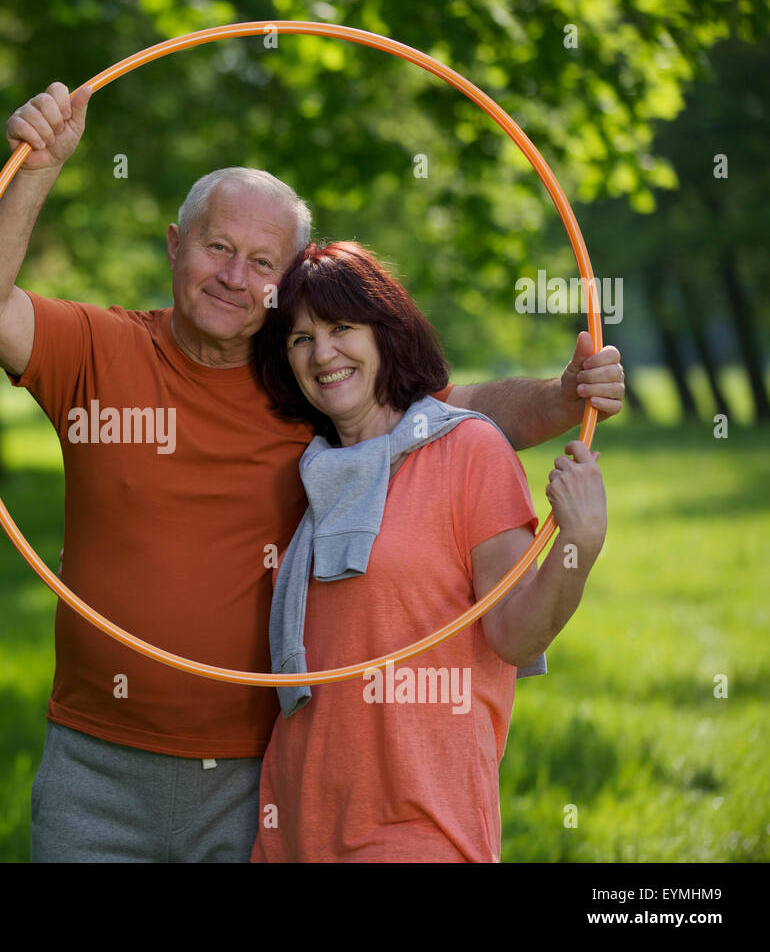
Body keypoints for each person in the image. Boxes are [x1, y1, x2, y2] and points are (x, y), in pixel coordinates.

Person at [0, 82, 625, 862]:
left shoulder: (311, 384)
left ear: (284, 280)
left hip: (252, 773)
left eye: (262, 261)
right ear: (174, 244)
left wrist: (564, 393)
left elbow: (462, 413)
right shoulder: (99, 351)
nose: (235, 276)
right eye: (217, 247)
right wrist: (36, 167)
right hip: (94, 761)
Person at [249, 242, 607, 862]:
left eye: (341, 328)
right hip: (295, 823)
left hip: (421, 823)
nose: (322, 352)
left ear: (386, 332)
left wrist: (577, 545)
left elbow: (517, 635)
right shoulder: (312, 469)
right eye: (300, 339)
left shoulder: (467, 451)